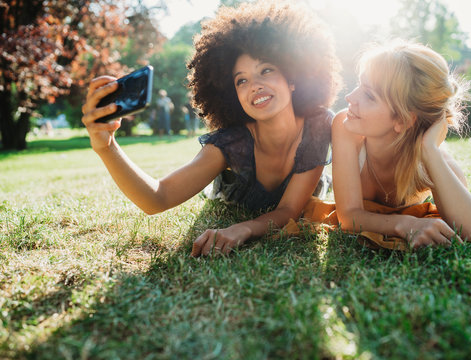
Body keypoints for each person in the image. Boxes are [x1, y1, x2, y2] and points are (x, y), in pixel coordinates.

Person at [81, 1, 341, 256]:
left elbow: (288, 211)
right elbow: (157, 198)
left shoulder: (318, 126)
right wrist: (106, 147)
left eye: (266, 70)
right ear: (232, 94)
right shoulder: (231, 144)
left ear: (292, 78)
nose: (255, 85)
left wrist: (245, 228)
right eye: (241, 80)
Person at [332, 40, 471, 248]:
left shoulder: (432, 159)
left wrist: (430, 151)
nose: (350, 97)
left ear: (403, 120)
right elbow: (348, 217)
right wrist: (405, 224)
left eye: (369, 95)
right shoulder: (346, 127)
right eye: (359, 85)